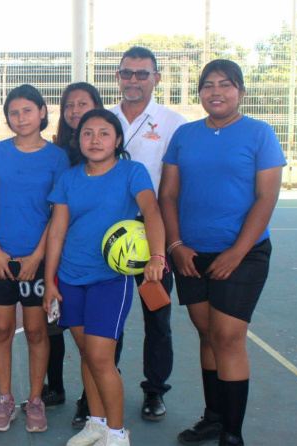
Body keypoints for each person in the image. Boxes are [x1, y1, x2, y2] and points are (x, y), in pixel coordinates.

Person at [160, 60, 285, 446]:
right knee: (207, 334)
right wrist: (177, 246)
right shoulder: (184, 135)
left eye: (226, 85)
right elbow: (168, 194)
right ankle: (213, 418)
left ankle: (232, 433)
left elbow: (266, 197)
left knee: (228, 337)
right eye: (208, 85)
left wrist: (236, 252)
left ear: (241, 92)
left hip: (243, 254)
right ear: (200, 93)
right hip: (191, 254)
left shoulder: (260, 134)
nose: (217, 92)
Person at [44, 108, 166, 446]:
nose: (94, 139)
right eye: (87, 133)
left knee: (100, 357)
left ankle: (116, 433)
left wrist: (157, 255)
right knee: (87, 355)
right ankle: (96, 424)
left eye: (103, 132)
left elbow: (152, 211)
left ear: (117, 140)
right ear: (77, 139)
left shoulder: (132, 172)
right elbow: (57, 231)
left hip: (110, 279)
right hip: (70, 276)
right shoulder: (69, 178)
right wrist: (51, 280)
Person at [0, 84, 69, 433]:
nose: (21, 118)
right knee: (1, 330)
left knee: (35, 331)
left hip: (36, 260)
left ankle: (34, 400)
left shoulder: (56, 157)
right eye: (14, 113)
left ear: (43, 112)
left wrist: (37, 258)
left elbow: (57, 214)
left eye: (27, 111)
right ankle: (5, 399)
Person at [110, 46, 187, 421]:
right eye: (127, 73)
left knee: (157, 316)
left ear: (156, 78)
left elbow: (176, 186)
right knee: (107, 318)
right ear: (118, 77)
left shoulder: (173, 123)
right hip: (106, 236)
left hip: (151, 232)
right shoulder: (102, 118)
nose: (134, 80)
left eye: (142, 74)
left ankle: (155, 391)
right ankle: (102, 386)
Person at [49, 82, 110, 430]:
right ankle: (55, 387)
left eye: (82, 103)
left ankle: (93, 403)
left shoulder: (105, 154)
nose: (74, 110)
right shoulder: (59, 152)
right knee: (57, 324)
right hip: (61, 254)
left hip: (100, 261)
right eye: (68, 105)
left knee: (99, 338)